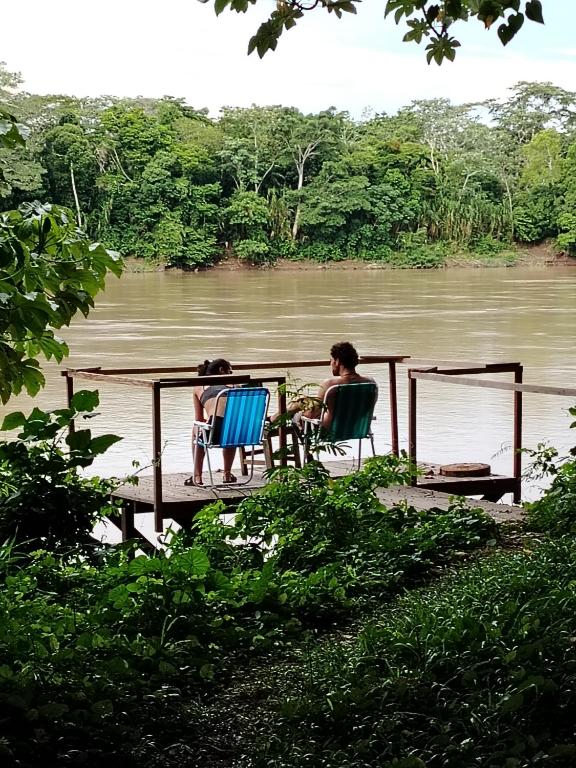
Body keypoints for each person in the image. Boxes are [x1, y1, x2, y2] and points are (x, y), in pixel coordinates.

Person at [273, 341, 377, 431]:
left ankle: (272, 421)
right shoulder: (371, 383)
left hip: (330, 431)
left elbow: (311, 414)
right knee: (302, 401)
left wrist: (299, 409)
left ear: (337, 362)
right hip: (358, 429)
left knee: (298, 409)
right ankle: (273, 419)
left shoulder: (330, 385)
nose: (330, 363)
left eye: (331, 360)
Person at [188, 358, 237, 486]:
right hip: (241, 434)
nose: (231, 375)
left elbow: (199, 419)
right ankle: (227, 474)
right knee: (231, 425)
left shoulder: (200, 387)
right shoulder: (237, 386)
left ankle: (197, 476)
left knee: (196, 429)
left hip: (214, 435)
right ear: (222, 370)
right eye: (230, 372)